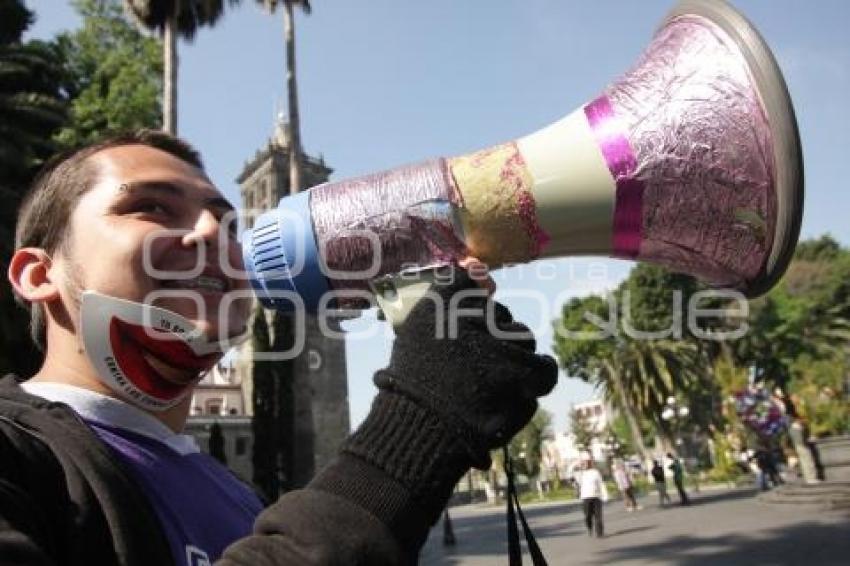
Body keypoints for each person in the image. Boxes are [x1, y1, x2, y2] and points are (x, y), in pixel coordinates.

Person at [0, 130, 558, 565]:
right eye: (151, 207)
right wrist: (421, 421)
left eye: (228, 222)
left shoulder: (242, 497)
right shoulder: (16, 458)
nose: (213, 234)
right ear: (36, 273)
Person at [576, 458, 608, 538]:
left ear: (589, 464)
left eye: (586, 463)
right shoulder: (580, 474)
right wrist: (577, 466)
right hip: (586, 497)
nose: (584, 465)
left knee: (598, 516)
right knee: (588, 516)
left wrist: (605, 495)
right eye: (583, 464)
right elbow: (572, 476)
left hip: (596, 496)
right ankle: (590, 527)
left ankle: (600, 533)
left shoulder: (595, 472)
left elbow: (601, 484)